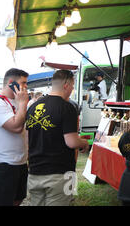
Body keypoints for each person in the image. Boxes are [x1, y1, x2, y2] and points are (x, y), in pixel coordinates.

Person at [26, 70, 89, 206]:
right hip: (60, 174)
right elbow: (71, 142)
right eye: (72, 85)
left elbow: (27, 140)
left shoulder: (33, 107)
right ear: (66, 84)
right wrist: (84, 142)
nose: (72, 89)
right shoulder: (67, 108)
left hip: (34, 173)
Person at [0, 68, 29, 206]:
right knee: (4, 201)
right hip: (4, 163)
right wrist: (23, 104)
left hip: (21, 162)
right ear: (11, 83)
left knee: (19, 198)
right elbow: (16, 127)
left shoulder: (17, 102)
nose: (26, 86)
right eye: (23, 82)